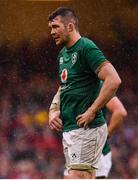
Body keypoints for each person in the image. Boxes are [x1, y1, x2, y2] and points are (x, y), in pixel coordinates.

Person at [48, 7, 121, 179]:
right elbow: (63, 87)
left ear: (71, 27)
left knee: (77, 177)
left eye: (56, 27)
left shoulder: (86, 48)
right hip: (71, 129)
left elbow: (113, 79)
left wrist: (92, 110)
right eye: (51, 28)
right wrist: (53, 109)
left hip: (87, 129)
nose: (52, 32)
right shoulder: (63, 54)